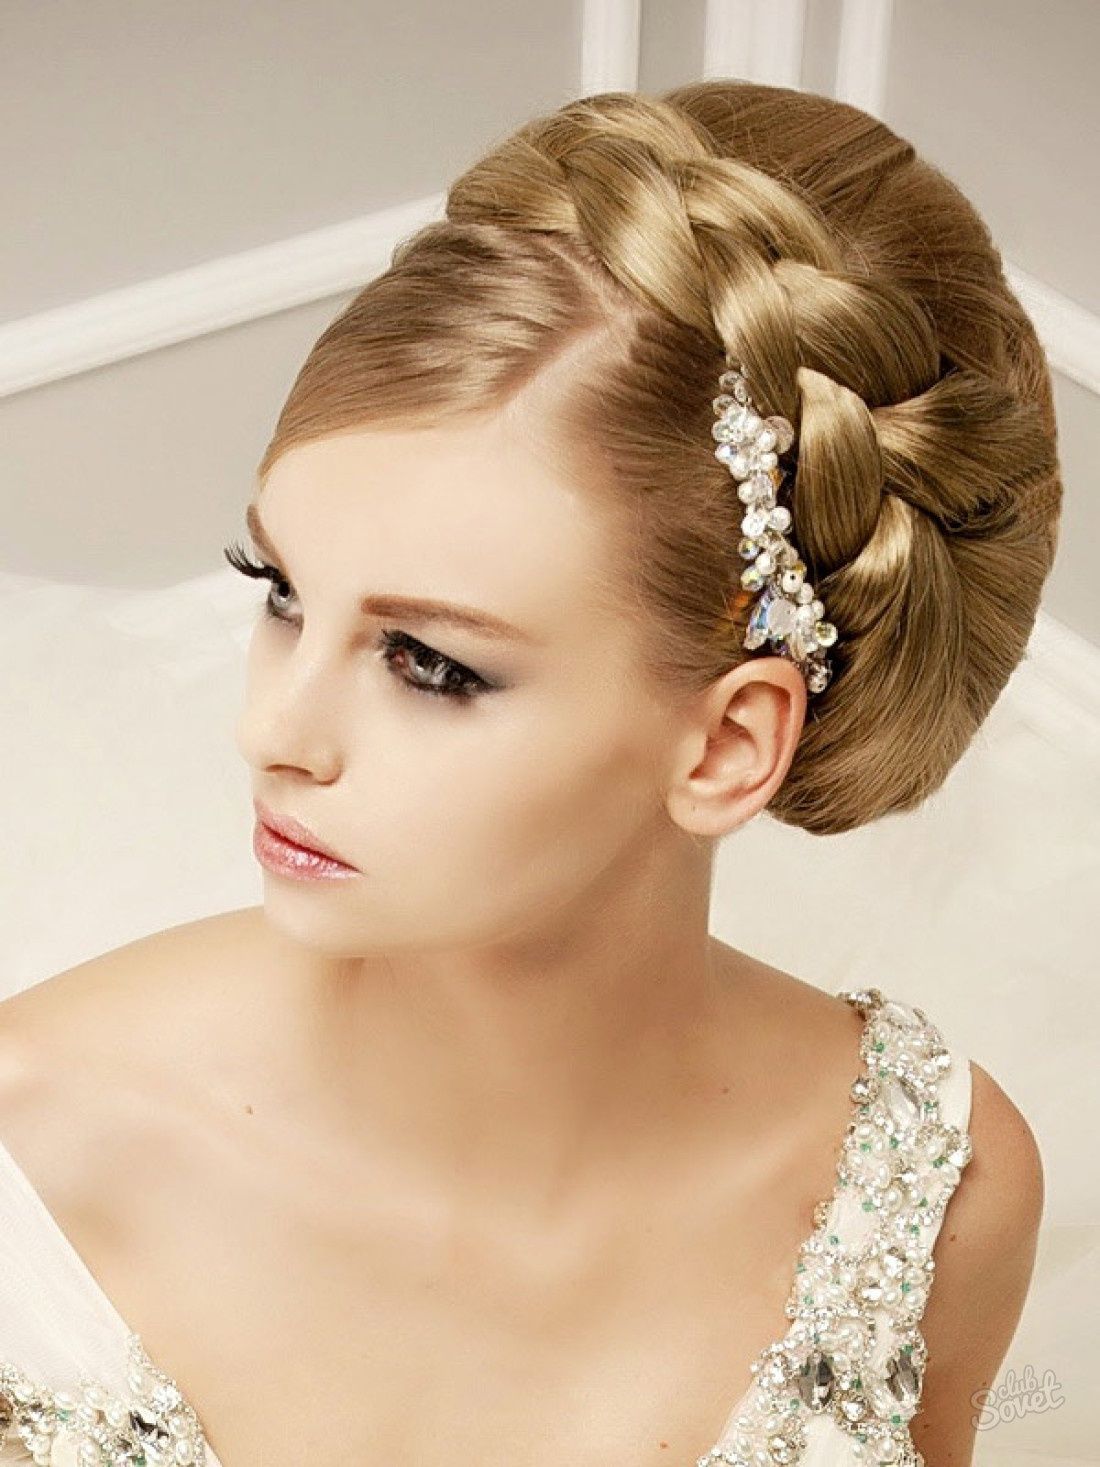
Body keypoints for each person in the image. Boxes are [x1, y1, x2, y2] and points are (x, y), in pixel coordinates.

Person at [0, 79, 1057, 1467]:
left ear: (728, 744)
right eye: (280, 591)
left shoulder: (932, 1192)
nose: (275, 731)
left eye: (431, 665)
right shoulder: (40, 1152)